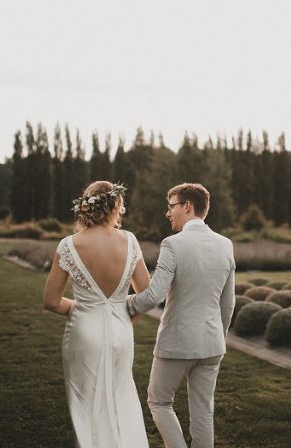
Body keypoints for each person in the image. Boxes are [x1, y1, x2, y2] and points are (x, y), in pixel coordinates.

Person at [126, 183, 236, 448]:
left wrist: (122, 304)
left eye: (171, 206)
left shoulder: (173, 244)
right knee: (204, 412)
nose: (168, 213)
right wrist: (218, 337)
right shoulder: (225, 244)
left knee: (159, 401)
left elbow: (154, 296)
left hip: (177, 342)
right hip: (212, 344)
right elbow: (228, 303)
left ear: (187, 206)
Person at [44, 181, 151, 448]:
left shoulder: (68, 245)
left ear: (86, 207)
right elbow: (147, 296)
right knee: (121, 398)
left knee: (86, 402)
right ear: (115, 206)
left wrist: (82, 308)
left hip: (83, 331)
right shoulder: (130, 241)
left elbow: (51, 302)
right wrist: (124, 318)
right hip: (121, 331)